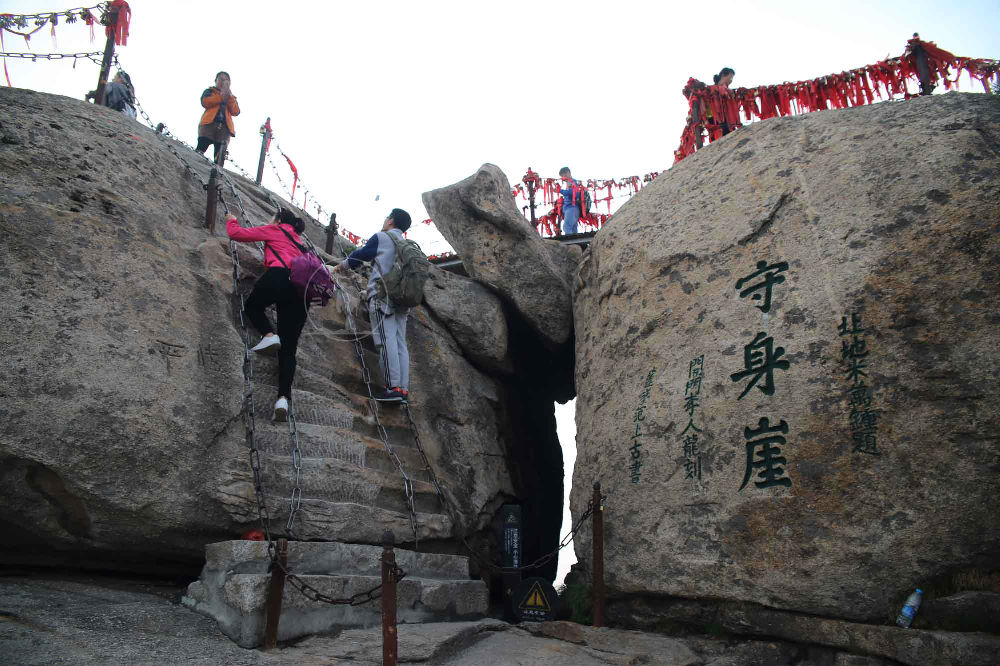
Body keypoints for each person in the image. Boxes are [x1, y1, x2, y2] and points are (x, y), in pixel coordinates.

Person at [226, 208, 309, 421]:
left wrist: (231, 220)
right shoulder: (300, 242)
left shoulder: (275, 229)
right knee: (289, 350)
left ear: (278, 219)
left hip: (279, 276)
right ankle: (282, 399)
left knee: (252, 306)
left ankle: (269, 335)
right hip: (302, 292)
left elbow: (237, 234)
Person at [332, 208, 412, 403]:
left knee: (386, 340)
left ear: (391, 221)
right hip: (403, 299)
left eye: (387, 217)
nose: (385, 220)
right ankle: (402, 390)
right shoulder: (407, 245)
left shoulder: (382, 237)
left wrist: (341, 266)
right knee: (400, 343)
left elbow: (361, 255)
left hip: (383, 297)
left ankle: (393, 388)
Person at [197, 71, 240, 166]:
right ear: (216, 80)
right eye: (221, 79)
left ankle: (217, 172)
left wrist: (229, 97)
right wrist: (221, 97)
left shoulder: (232, 98)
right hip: (209, 124)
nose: (223, 82)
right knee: (201, 147)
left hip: (225, 128)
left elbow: (236, 111)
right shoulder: (210, 91)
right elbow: (205, 102)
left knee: (220, 156)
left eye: (226, 80)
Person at [709, 67, 736, 136]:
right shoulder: (711, 89)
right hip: (716, 122)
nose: (731, 81)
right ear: (723, 75)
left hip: (728, 122)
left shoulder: (729, 92)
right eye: (730, 78)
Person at [558, 167, 582, 235]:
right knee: (574, 229)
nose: (563, 177)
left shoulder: (572, 182)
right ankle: (576, 241)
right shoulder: (570, 182)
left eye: (564, 175)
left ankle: (571, 241)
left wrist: (559, 190)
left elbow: (572, 193)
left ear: (568, 173)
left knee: (567, 227)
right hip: (573, 208)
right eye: (562, 176)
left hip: (571, 208)